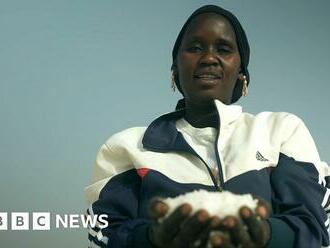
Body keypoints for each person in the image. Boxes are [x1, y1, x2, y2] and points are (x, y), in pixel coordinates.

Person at [85, 5, 330, 248]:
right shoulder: (126, 148)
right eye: (195, 48)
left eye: (223, 49)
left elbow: (314, 227)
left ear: (241, 74)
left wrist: (264, 234)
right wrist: (153, 237)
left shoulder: (281, 131)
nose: (209, 58)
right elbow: (104, 235)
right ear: (174, 70)